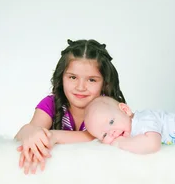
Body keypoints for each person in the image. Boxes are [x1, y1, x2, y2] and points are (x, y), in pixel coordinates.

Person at [14, 39, 126, 174]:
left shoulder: (109, 108)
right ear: (61, 78)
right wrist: (29, 131)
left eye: (91, 80)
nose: (80, 87)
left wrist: (55, 136)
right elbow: (30, 130)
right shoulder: (51, 103)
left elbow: (98, 137)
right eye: (73, 77)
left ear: (105, 83)